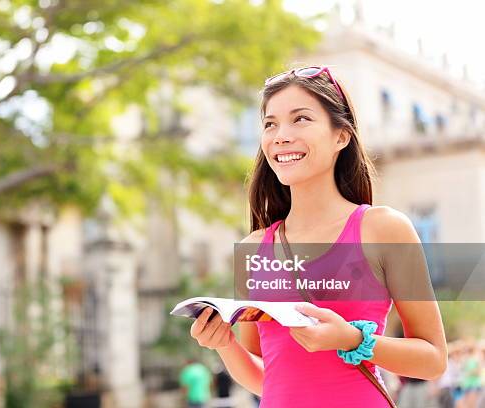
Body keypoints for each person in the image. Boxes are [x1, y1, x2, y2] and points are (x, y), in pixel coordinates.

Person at [188, 65, 448, 407]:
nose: (280, 135)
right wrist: (224, 343)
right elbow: (268, 377)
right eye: (270, 123)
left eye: (301, 119)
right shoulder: (252, 249)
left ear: (341, 136)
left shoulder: (383, 229)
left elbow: (433, 359)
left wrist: (354, 339)